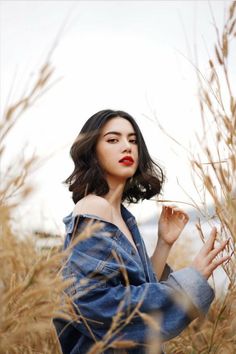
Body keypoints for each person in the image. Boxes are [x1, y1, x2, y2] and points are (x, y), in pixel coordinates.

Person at [54, 109, 230, 354]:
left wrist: (163, 244)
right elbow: (95, 304)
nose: (127, 147)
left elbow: (136, 287)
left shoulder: (124, 218)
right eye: (113, 140)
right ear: (92, 150)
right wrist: (190, 280)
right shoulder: (93, 207)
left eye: (133, 140)